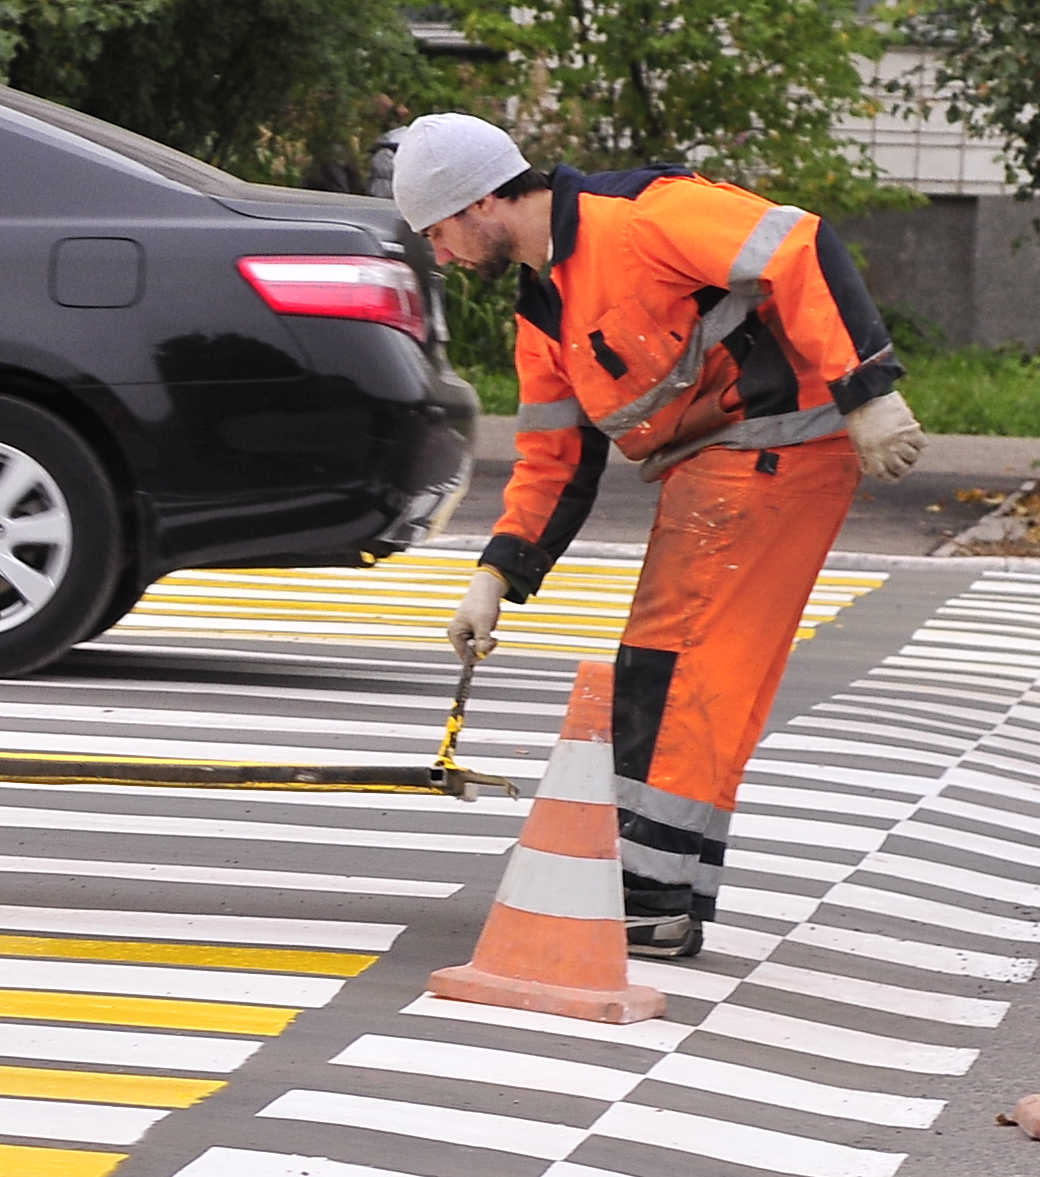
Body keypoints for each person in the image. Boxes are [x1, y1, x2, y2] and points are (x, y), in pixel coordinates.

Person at [393, 112, 926, 958]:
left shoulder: (641, 216)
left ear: (483, 200)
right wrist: (498, 572)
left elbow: (799, 247)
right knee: (675, 664)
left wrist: (867, 387)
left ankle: (649, 894)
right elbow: (555, 462)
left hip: (779, 446)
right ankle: (662, 886)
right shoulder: (543, 309)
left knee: (682, 665)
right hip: (719, 465)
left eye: (440, 232)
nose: (444, 257)